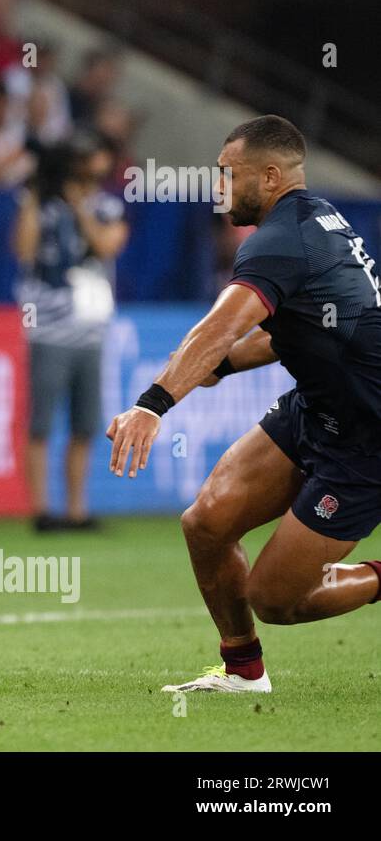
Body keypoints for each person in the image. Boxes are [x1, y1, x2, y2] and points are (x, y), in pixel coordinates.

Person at [107, 115, 381, 693]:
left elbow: (221, 324)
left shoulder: (281, 240)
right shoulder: (318, 221)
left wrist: (153, 404)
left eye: (228, 176)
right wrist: (224, 366)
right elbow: (296, 331)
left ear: (271, 175)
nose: (219, 189)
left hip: (364, 440)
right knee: (206, 523)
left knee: (275, 599)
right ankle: (242, 672)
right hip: (315, 409)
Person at [12, 134, 127, 531]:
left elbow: (106, 246)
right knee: (41, 422)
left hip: (91, 328)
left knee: (84, 424)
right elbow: (24, 251)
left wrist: (79, 207)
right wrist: (34, 196)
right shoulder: (41, 206)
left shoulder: (105, 205)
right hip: (49, 327)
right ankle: (41, 510)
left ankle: (78, 509)